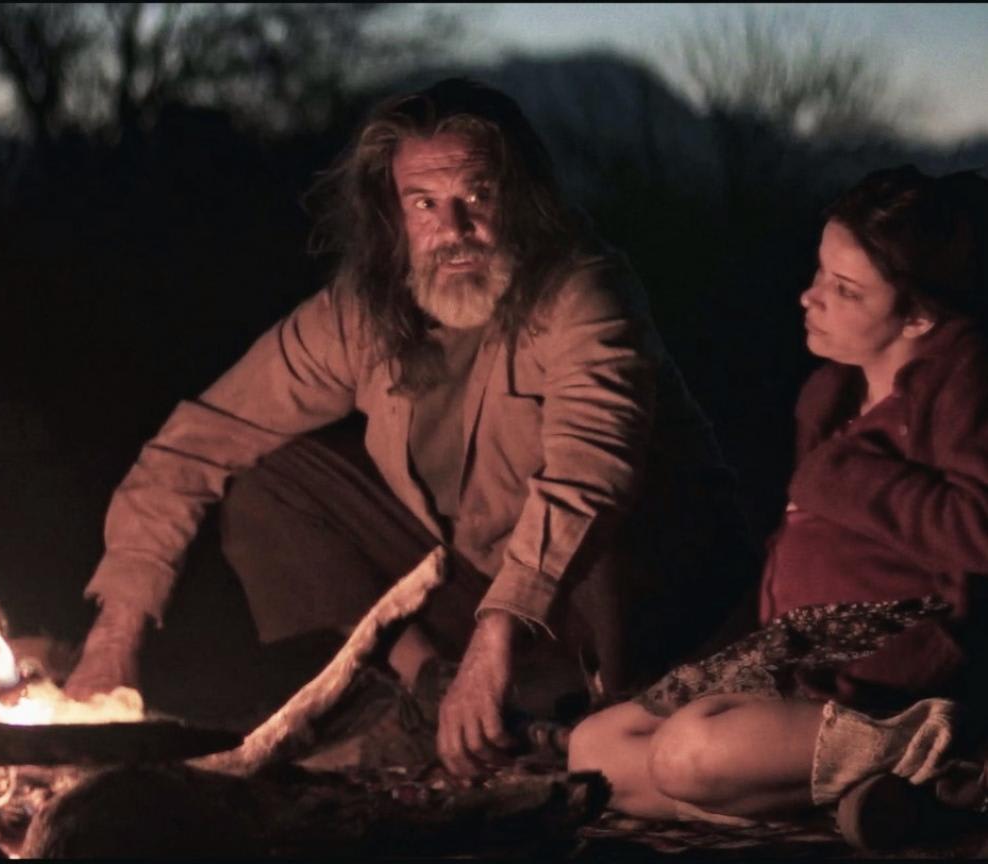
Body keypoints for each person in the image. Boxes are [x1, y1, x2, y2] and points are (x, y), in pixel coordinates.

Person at [65, 78, 752, 776]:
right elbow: (200, 440)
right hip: (481, 582)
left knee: (596, 520)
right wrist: (114, 640)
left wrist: (496, 640)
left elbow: (590, 475)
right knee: (274, 480)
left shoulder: (582, 292)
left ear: (522, 197)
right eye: (424, 203)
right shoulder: (359, 314)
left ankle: (605, 713)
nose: (453, 230)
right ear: (390, 215)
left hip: (642, 592)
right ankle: (429, 690)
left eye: (477, 196)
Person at [568, 165, 988, 825]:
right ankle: (861, 793)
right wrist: (715, 661)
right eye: (820, 271)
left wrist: (842, 476)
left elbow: (976, 529)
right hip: (797, 655)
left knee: (685, 757)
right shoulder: (831, 393)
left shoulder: (963, 382)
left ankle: (943, 749)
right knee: (596, 753)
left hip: (887, 669)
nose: (810, 297)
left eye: (845, 289)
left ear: (919, 315)